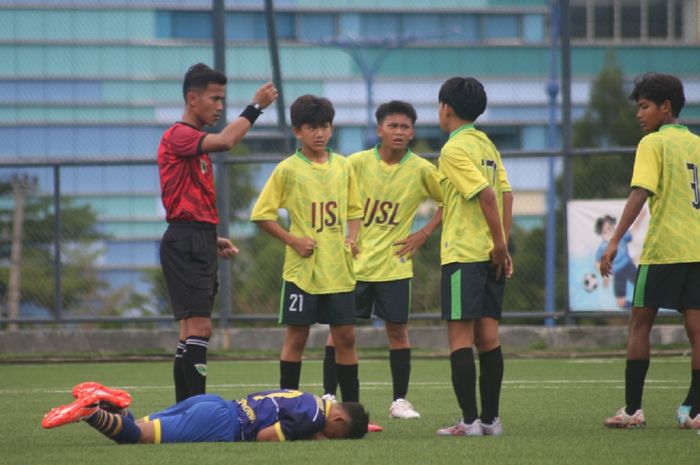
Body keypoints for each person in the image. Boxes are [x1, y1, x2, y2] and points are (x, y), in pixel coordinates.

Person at [158, 63, 278, 403]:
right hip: (186, 240)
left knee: (188, 332)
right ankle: (195, 413)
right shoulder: (179, 135)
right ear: (192, 99)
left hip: (194, 237)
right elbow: (227, 140)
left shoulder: (193, 143)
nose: (220, 106)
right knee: (200, 330)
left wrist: (210, 237)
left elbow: (187, 199)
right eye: (215, 98)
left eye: (223, 99)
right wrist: (256, 107)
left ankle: (184, 411)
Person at [321, 101, 443, 421]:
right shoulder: (357, 163)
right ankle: (329, 395)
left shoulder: (422, 169)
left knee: (398, 332)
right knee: (340, 333)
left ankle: (399, 401)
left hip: (394, 264)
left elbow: (450, 199)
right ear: (379, 130)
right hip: (354, 264)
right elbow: (334, 198)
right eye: (393, 126)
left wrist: (424, 233)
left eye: (405, 127)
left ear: (412, 132)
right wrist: (345, 237)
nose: (399, 131)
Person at [601, 72, 700, 430]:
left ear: (665, 107)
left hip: (664, 249)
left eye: (644, 107)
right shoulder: (697, 144)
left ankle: (632, 410)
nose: (639, 114)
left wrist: (614, 240)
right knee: (697, 328)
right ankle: (695, 409)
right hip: (697, 249)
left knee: (639, 323)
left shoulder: (653, 144)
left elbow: (639, 193)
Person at [250, 95, 363, 405]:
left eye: (324, 126)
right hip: (302, 271)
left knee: (346, 338)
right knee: (296, 338)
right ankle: (288, 407)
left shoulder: (343, 166)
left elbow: (355, 210)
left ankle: (352, 410)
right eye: (312, 127)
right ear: (298, 131)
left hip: (338, 269)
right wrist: (293, 240)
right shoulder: (287, 169)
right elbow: (262, 215)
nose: (319, 133)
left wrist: (352, 238)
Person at [434, 77, 513, 437]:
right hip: (489, 256)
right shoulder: (486, 144)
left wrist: (499, 244)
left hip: (463, 254)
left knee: (461, 340)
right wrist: (501, 246)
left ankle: (468, 422)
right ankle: (491, 421)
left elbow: (487, 196)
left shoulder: (453, 149)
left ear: (445, 108)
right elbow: (506, 195)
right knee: (489, 338)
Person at [42, 382, 368, 442]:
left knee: (137, 425)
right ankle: (89, 412)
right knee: (136, 439)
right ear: (337, 419)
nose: (330, 436)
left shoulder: (308, 397)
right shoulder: (312, 418)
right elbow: (268, 437)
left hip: (214, 404)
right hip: (221, 425)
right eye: (336, 435)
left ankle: (102, 401)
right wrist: (314, 438)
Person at [593, 214, 640, 309]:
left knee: (643, 288)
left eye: (611, 227)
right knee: (621, 303)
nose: (611, 230)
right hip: (618, 273)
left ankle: (648, 308)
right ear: (602, 233)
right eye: (607, 229)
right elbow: (598, 263)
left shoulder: (620, 237)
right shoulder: (602, 248)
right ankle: (638, 310)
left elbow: (633, 232)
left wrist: (641, 217)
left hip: (628, 266)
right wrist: (604, 274)